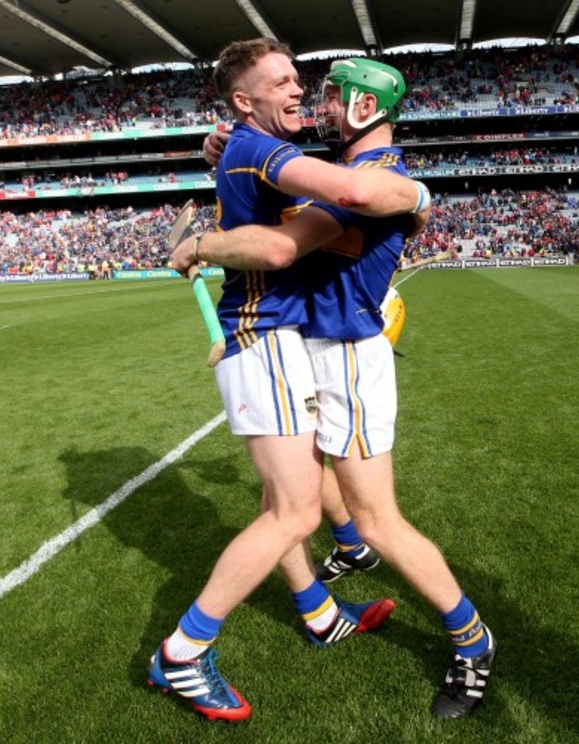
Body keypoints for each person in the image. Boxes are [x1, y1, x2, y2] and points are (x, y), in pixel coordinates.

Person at [173, 56, 496, 721]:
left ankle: (472, 640)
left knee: (376, 518)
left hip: (347, 359)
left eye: (329, 98)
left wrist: (200, 243)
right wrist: (226, 141)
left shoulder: (373, 180)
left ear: (362, 107)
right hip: (307, 350)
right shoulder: (347, 174)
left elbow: (282, 247)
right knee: (286, 495)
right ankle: (319, 612)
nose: (316, 108)